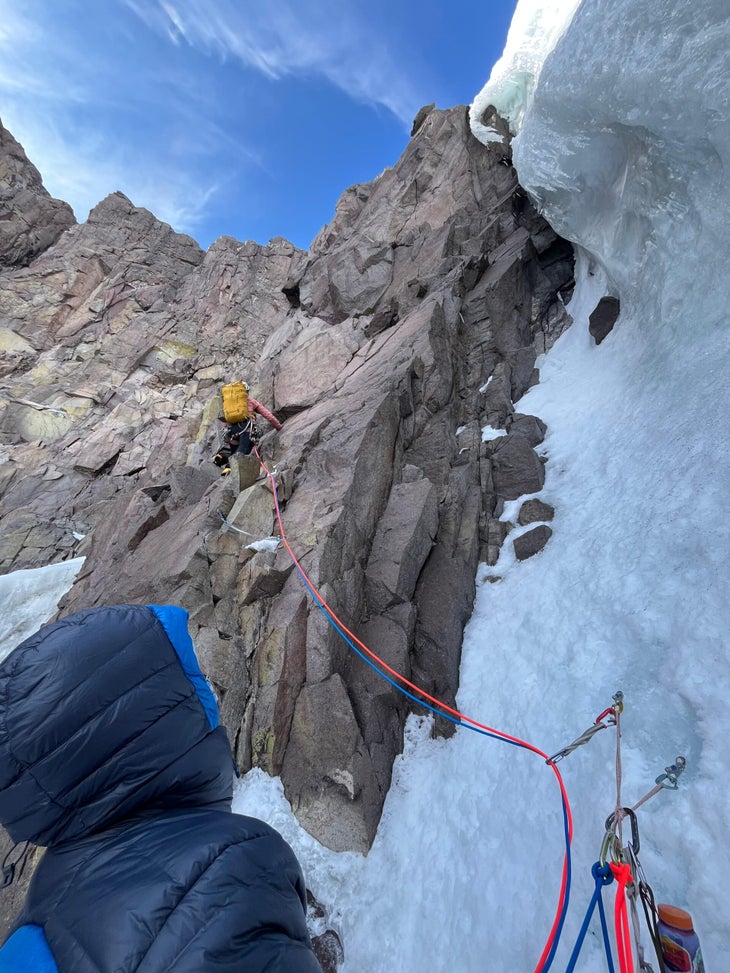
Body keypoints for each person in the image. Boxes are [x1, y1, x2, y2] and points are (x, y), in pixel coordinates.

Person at [0, 604, 322, 973]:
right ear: (142, 725)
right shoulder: (229, 879)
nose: (209, 688)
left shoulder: (41, 901)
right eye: (194, 679)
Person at [213, 393, 282, 472]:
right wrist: (278, 426)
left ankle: (221, 457)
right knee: (243, 450)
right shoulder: (250, 400)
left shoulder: (230, 402)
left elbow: (225, 420)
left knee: (234, 452)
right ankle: (229, 468)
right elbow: (267, 415)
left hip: (232, 430)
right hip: (246, 429)